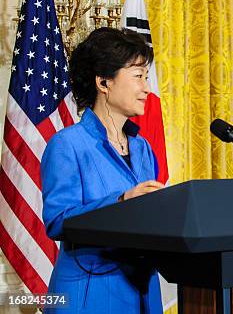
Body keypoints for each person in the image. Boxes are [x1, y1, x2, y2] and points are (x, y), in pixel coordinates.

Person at [41, 28, 165, 313]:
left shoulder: (143, 147)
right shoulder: (67, 144)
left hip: (144, 292)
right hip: (90, 293)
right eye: (138, 76)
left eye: (147, 77)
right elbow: (58, 221)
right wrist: (121, 202)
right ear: (104, 82)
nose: (147, 88)